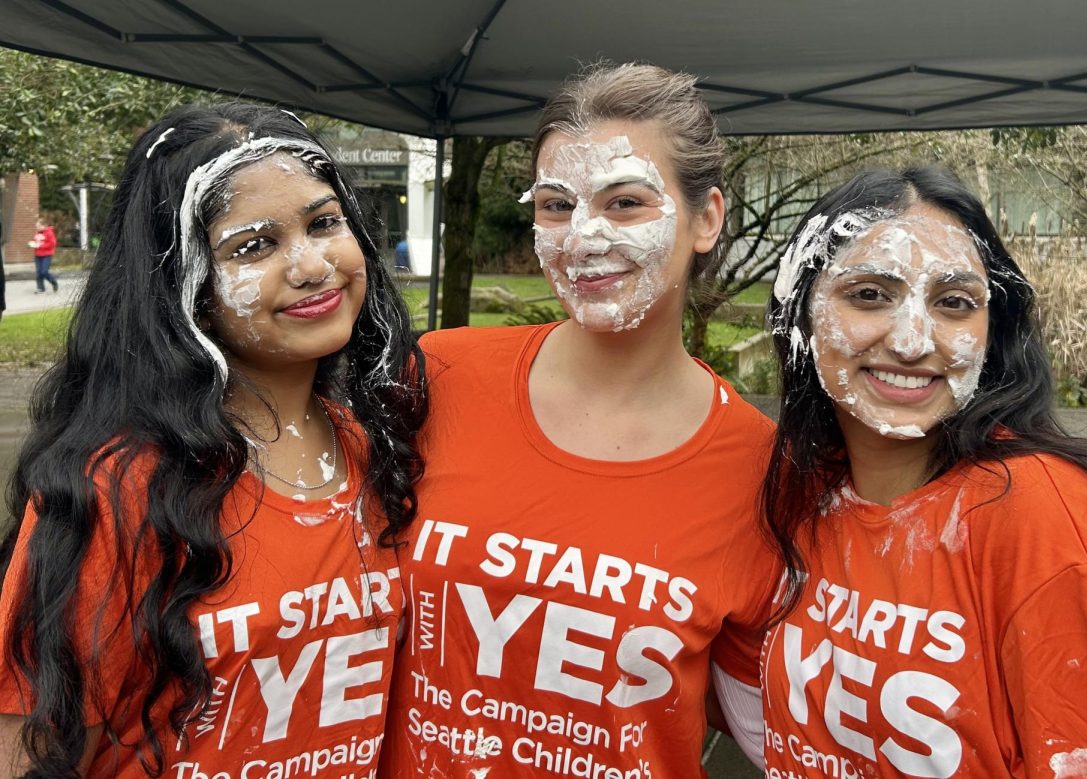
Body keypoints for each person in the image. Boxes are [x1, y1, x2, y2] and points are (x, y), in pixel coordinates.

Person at [0, 102, 426, 777]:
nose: (313, 265)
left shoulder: (375, 450)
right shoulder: (116, 487)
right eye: (254, 245)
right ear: (185, 286)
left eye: (324, 223)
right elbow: (28, 754)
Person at [381, 62, 779, 776]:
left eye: (625, 202)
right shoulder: (434, 376)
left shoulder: (760, 466)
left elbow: (779, 733)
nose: (582, 237)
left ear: (707, 218)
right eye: (556, 205)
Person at [745, 166, 1087, 777]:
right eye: (869, 294)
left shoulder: (1046, 526)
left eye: (953, 303)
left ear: (991, 330)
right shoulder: (802, 490)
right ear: (801, 317)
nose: (914, 341)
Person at [28, 217, 57, 294]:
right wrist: (32, 244)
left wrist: (40, 246)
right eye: (36, 226)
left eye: (38, 226)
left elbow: (52, 244)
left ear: (43, 226)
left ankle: (53, 282)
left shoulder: (49, 232)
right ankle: (40, 288)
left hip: (47, 255)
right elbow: (36, 241)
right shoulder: (38, 233)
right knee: (38, 272)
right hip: (38, 255)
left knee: (44, 271)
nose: (36, 228)